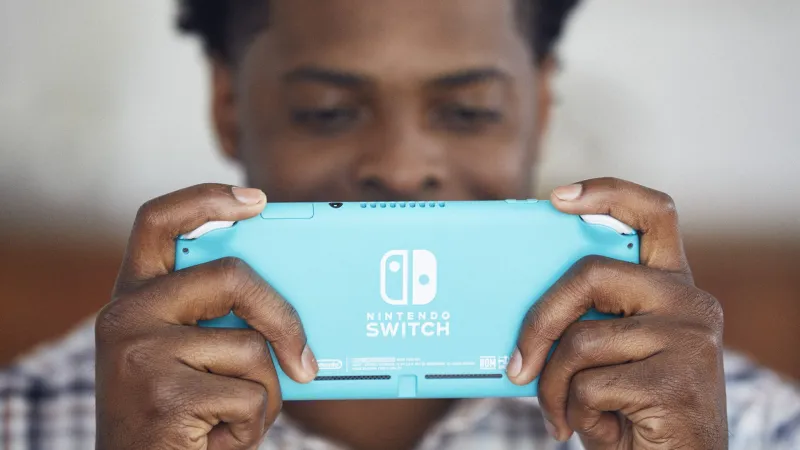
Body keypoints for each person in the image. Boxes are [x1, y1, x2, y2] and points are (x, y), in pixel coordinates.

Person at [1, 1, 799, 449]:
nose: (401, 165)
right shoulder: (27, 419)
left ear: (541, 104)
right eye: (326, 111)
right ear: (227, 105)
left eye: (468, 110)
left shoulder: (748, 425)